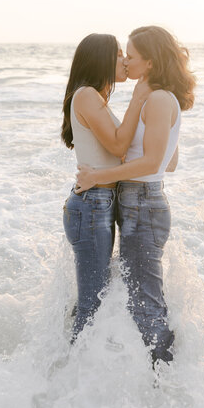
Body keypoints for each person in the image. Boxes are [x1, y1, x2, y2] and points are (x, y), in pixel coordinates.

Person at [75, 26, 196, 365]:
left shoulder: (157, 99)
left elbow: (155, 162)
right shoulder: (158, 99)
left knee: (146, 304)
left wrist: (99, 175)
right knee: (140, 299)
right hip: (141, 202)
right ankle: (158, 376)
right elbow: (169, 161)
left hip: (143, 204)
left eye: (131, 55)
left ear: (151, 62)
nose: (126, 61)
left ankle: (165, 380)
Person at [61, 33, 151, 342]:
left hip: (100, 202)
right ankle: (71, 377)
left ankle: (72, 366)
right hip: (91, 205)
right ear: (100, 59)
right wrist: (138, 99)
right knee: (91, 305)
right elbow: (117, 144)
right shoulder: (86, 94)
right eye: (117, 54)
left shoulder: (95, 98)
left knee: (94, 301)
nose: (125, 60)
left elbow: (119, 151)